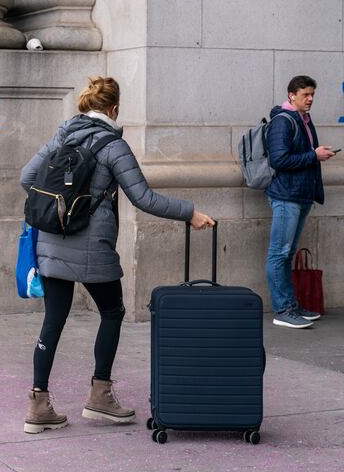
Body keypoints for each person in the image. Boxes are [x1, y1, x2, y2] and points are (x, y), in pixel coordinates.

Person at [19, 76, 215, 434]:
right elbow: (145, 198)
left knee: (53, 319)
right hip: (92, 247)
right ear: (114, 108)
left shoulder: (62, 136)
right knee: (112, 311)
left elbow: (26, 176)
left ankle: (38, 404)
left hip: (51, 240)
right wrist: (190, 212)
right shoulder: (113, 145)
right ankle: (99, 396)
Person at [265, 75, 333, 329]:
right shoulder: (283, 121)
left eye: (312, 94)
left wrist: (315, 156)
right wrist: (313, 155)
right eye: (306, 94)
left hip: (300, 195)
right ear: (291, 95)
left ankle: (291, 305)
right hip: (286, 196)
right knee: (278, 254)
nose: (311, 99)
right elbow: (279, 160)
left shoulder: (303, 118)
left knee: (287, 254)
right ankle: (282, 310)